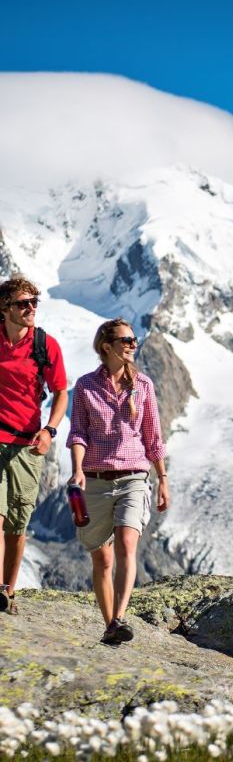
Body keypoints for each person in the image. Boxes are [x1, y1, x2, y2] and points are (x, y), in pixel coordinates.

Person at [67, 318, 170, 645]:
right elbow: (79, 432)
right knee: (102, 557)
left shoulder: (143, 385)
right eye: (125, 340)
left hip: (134, 477)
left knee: (127, 542)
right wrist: (77, 470)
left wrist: (163, 479)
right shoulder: (85, 386)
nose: (132, 345)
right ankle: (110, 623)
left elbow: (153, 437)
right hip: (95, 480)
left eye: (133, 340)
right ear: (106, 346)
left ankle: (121, 617)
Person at [0, 275, 68, 615]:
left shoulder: (45, 345)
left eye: (34, 303)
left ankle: (7, 593)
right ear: (5, 308)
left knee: (16, 525)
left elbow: (60, 392)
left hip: (28, 445)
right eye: (22, 304)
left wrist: (51, 429)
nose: (30, 309)